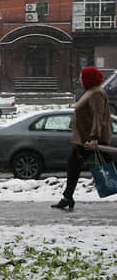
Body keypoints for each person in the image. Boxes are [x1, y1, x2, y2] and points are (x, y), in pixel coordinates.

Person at [52, 65, 113, 211]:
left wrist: (94, 137)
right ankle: (67, 197)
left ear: (88, 79)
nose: (80, 79)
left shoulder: (96, 93)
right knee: (74, 165)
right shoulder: (91, 92)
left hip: (91, 139)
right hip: (85, 138)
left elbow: (97, 116)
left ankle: (67, 197)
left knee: (75, 165)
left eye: (82, 76)